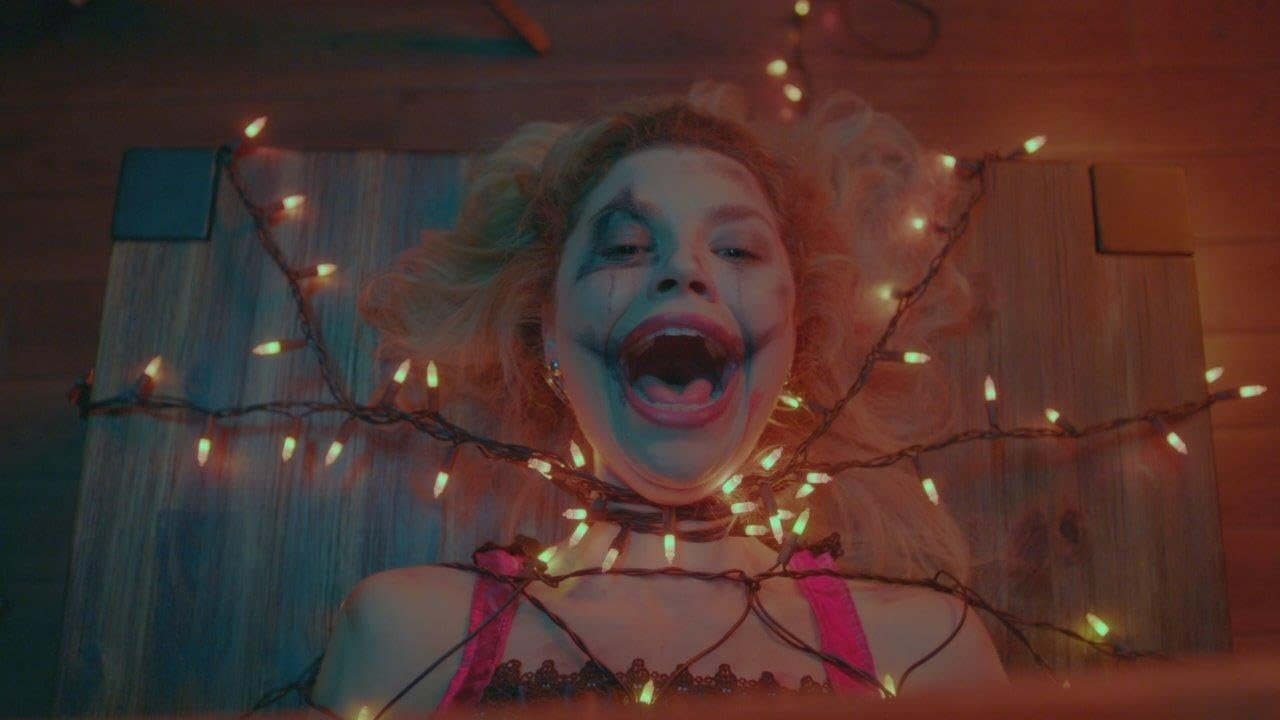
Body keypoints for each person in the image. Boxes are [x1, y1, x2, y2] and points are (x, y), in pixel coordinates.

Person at [310, 82, 1007, 717]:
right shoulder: (406, 638)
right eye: (624, 247)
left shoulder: (926, 651)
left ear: (795, 330)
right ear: (549, 327)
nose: (683, 268)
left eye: (737, 251)